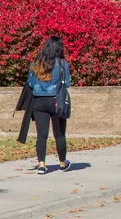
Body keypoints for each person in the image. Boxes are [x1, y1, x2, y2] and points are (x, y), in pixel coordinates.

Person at [27, 36, 72, 174]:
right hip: (56, 101)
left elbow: (30, 83)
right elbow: (68, 83)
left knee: (42, 135)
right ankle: (63, 163)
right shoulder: (62, 63)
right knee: (59, 134)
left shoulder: (35, 63)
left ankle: (41, 165)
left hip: (39, 102)